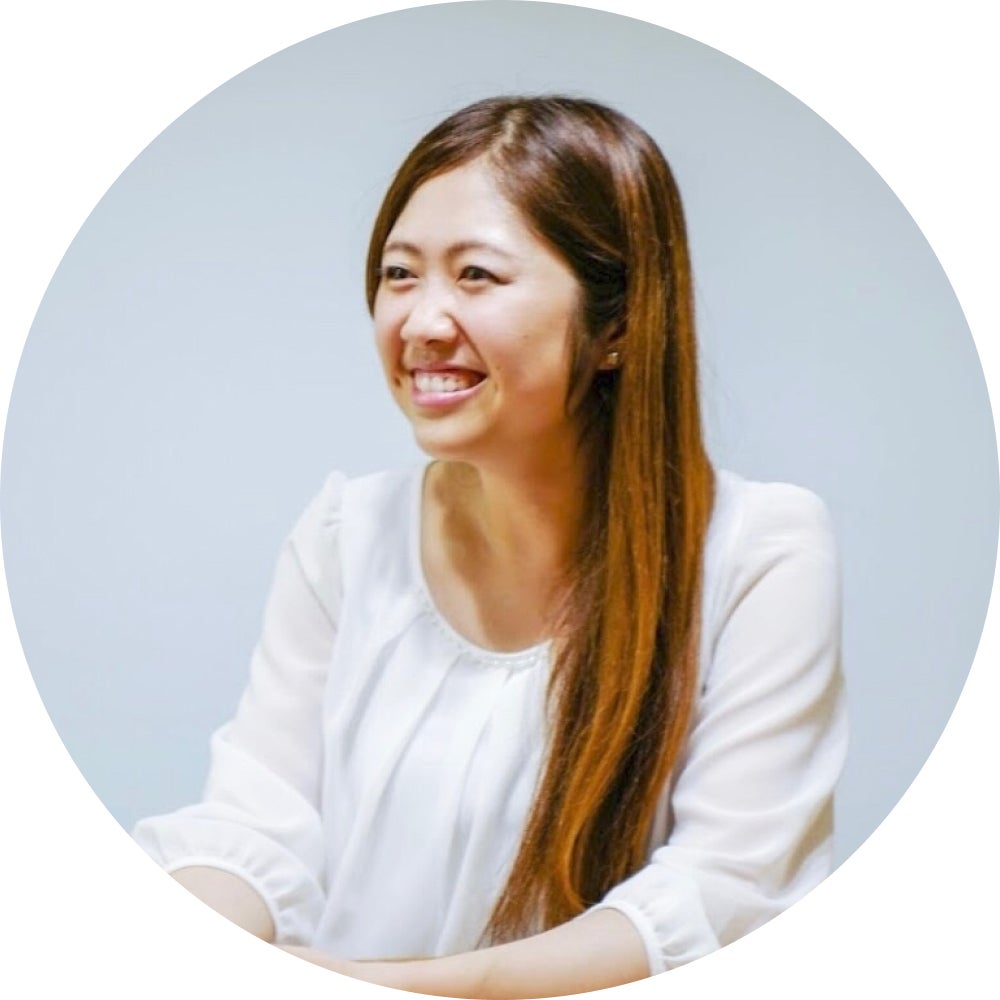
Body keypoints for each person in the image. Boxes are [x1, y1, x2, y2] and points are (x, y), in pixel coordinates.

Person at [133, 95, 847, 996]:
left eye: (476, 275)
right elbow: (254, 825)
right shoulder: (346, 537)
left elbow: (720, 896)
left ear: (619, 324)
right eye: (399, 274)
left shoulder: (759, 555)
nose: (422, 323)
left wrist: (368, 982)